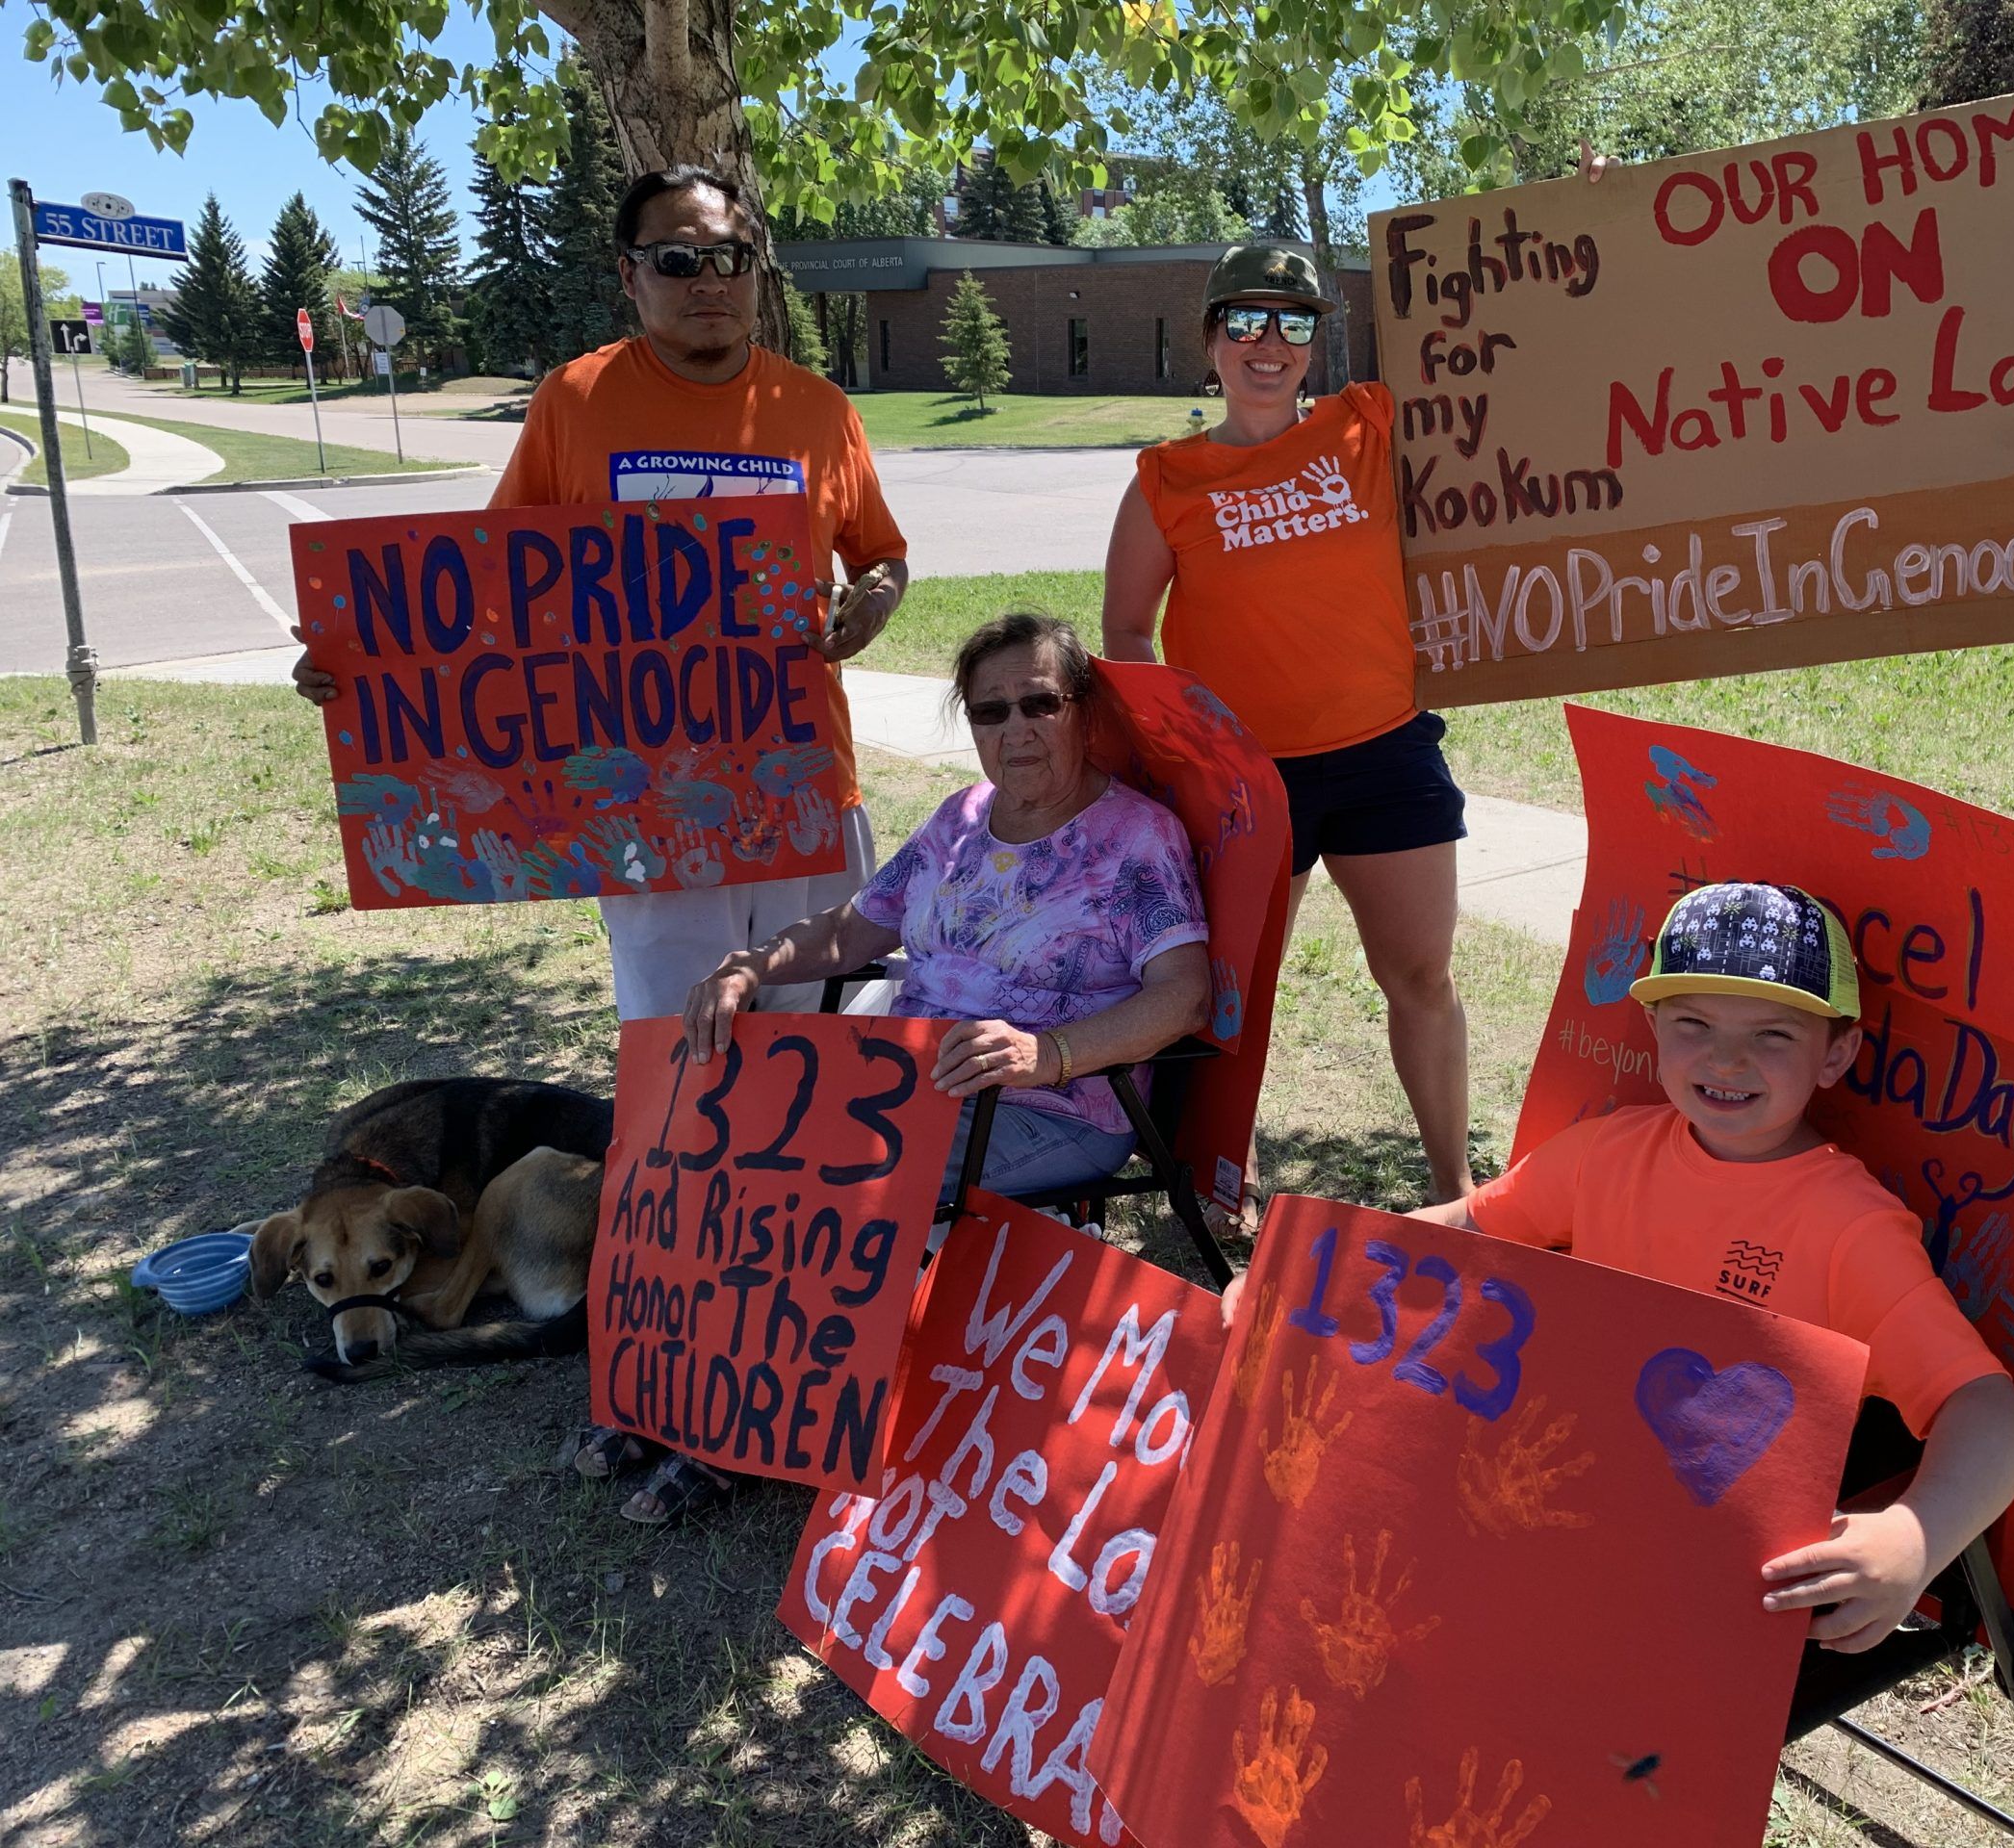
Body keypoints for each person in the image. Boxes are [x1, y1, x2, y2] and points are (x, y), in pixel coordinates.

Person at [1225, 881, 2014, 1651]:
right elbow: (1467, 1226)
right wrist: (1305, 1270)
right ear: (1652, 1028)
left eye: (1773, 1035)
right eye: (1694, 1024)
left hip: (1690, 1580)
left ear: (1836, 1054)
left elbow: (1991, 1416)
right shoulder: (1606, 1152)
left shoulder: (1850, 1230)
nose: (1726, 1060)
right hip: (1535, 1501)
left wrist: (1913, 1534)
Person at [589, 611, 1212, 1522]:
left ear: (1084, 711)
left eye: (1039, 702)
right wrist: (749, 966)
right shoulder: (960, 821)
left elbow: (1183, 996)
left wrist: (1051, 1054)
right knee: (712, 1127)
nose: (1015, 730)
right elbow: (854, 929)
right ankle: (677, 1387)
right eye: (991, 711)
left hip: (1050, 1106)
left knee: (813, 1182)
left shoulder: (1135, 842)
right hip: (904, 1085)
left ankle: (736, 1431)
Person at [289, 163, 910, 1021]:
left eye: (730, 257)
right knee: (679, 1036)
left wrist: (874, 597)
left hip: (800, 777)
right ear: (629, 274)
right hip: (645, 793)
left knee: (822, 1026)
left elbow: (880, 555)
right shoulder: (574, 402)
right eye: (676, 261)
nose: (709, 282)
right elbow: (488, 592)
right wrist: (366, 656)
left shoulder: (820, 409)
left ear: (757, 270)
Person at [1100, 244, 1473, 1207]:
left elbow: (1503, 357)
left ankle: (1452, 1184)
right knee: (1228, 993)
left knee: (1421, 974)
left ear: (1318, 342)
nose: (1269, 342)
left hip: (1386, 750)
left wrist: (1574, 199)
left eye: (1294, 322)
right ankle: (1216, 1170)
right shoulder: (1165, 480)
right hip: (1244, 781)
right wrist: (1185, 750)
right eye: (1247, 321)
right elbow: (1126, 631)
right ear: (1211, 337)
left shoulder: (1369, 425)